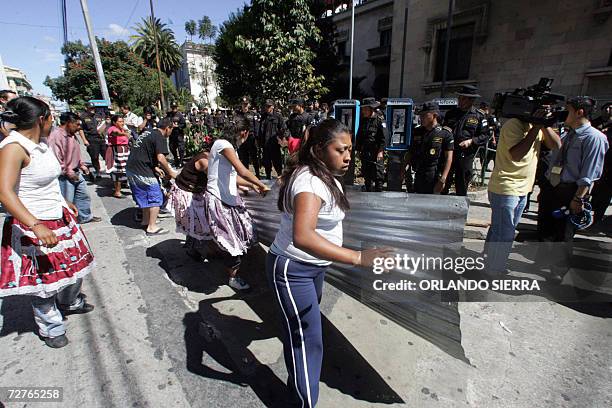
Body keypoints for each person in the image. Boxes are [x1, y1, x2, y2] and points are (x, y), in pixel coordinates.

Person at [268, 119, 390, 407]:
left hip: (313, 269)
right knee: (309, 341)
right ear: (320, 150)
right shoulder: (309, 182)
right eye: (341, 150)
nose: (348, 157)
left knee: (301, 336)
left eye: (350, 150)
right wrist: (358, 257)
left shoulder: (325, 175)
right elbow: (303, 236)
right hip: (292, 270)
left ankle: (296, 390)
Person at [0, 96, 95, 349]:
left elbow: (49, 182)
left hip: (59, 217)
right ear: (41, 119)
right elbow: (4, 192)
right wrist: (35, 225)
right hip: (33, 225)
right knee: (43, 283)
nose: (54, 122)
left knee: (74, 270)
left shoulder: (41, 144)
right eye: (51, 117)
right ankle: (51, 327)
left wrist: (65, 202)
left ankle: (70, 302)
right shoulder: (13, 147)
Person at [537, 97, 609, 279]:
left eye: (567, 110)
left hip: (570, 191)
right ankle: (545, 263)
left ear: (579, 112)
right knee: (547, 228)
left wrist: (579, 198)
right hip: (552, 187)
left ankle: (557, 272)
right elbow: (555, 148)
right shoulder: (570, 133)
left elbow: (590, 173)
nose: (563, 114)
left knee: (563, 233)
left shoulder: (594, 137)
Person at [485, 111, 561, 274]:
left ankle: (489, 260)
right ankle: (494, 270)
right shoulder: (513, 124)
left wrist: (543, 125)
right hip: (505, 188)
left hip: (523, 189)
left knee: (500, 230)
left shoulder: (537, 126)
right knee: (505, 234)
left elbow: (556, 145)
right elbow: (516, 155)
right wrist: (536, 129)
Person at [204, 116, 270, 290]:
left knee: (243, 232)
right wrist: (260, 184)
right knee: (231, 240)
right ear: (244, 132)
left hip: (228, 199)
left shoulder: (227, 147)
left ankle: (226, 263)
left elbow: (234, 177)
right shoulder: (223, 145)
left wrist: (252, 185)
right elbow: (242, 170)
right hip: (218, 199)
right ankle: (232, 278)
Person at [47, 112, 102, 225]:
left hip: (76, 171)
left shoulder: (71, 134)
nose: (79, 128)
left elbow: (74, 152)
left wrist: (81, 164)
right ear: (68, 123)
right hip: (65, 175)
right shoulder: (56, 136)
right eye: (76, 125)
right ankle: (67, 222)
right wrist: (68, 172)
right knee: (67, 200)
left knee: (83, 196)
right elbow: (56, 158)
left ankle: (84, 216)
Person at [126, 118, 176, 235]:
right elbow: (161, 158)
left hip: (132, 168)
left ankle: (145, 221)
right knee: (155, 196)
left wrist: (155, 168)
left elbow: (144, 152)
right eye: (171, 129)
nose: (171, 132)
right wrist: (170, 172)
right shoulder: (159, 136)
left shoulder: (148, 132)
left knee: (144, 195)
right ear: (167, 128)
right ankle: (152, 227)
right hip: (141, 169)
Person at [443, 85, 489, 196]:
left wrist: (471, 141)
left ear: (471, 100)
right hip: (449, 152)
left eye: (463, 98)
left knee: (462, 183)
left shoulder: (478, 116)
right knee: (444, 181)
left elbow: (485, 135)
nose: (460, 101)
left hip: (465, 154)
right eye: (459, 98)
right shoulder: (451, 113)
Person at [406, 102, 454, 194]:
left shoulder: (445, 134)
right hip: (419, 174)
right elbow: (411, 151)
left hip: (434, 176)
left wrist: (443, 179)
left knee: (433, 205)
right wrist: (403, 168)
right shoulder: (418, 131)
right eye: (420, 115)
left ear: (434, 115)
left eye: (424, 115)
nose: (421, 118)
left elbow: (449, 158)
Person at [356, 98, 386, 192]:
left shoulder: (379, 120)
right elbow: (360, 135)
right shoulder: (364, 120)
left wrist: (380, 152)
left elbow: (384, 137)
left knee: (378, 175)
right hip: (366, 151)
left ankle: (378, 193)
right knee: (367, 174)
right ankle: (368, 190)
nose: (363, 111)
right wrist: (358, 149)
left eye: (365, 109)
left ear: (370, 109)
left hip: (376, 152)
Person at [590, 102, 611, 224]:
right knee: (593, 188)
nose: (608, 110)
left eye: (611, 108)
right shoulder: (594, 123)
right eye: (606, 107)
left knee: (605, 193)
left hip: (609, 163)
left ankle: (598, 217)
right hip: (597, 159)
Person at [258, 99, 287, 179]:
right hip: (265, 144)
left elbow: (283, 128)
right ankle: (268, 176)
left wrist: (281, 139)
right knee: (267, 162)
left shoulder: (278, 116)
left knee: (277, 162)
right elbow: (261, 130)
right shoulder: (263, 116)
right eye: (266, 106)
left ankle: (280, 176)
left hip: (274, 144)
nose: (267, 108)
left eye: (269, 106)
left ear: (273, 106)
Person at [79, 102, 105, 181]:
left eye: (93, 108)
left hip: (101, 139)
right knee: (94, 157)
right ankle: (98, 171)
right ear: (86, 108)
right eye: (91, 108)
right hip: (91, 139)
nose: (92, 110)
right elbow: (80, 129)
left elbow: (104, 125)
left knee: (106, 155)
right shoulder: (83, 117)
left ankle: (111, 172)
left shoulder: (99, 115)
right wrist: (84, 140)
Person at [235, 96, 261, 178]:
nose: (245, 106)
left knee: (254, 157)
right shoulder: (238, 115)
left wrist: (257, 138)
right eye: (243, 104)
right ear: (241, 105)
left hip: (251, 138)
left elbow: (256, 126)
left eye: (246, 104)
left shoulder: (253, 114)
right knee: (244, 157)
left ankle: (257, 174)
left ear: (248, 104)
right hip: (242, 139)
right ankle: (246, 175)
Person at [107, 115, 131, 198]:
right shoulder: (112, 128)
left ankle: (123, 185)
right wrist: (124, 133)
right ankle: (117, 191)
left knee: (125, 169)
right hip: (117, 150)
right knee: (118, 171)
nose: (122, 123)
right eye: (120, 121)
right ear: (114, 122)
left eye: (122, 121)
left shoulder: (123, 128)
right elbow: (115, 133)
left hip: (125, 150)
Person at [167, 102, 187, 167]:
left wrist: (177, 126)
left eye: (175, 107)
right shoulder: (169, 115)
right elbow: (165, 122)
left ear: (177, 108)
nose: (174, 109)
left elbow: (184, 125)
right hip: (172, 134)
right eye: (173, 107)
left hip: (179, 134)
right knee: (172, 147)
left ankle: (181, 161)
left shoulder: (180, 115)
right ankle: (176, 159)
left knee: (181, 148)